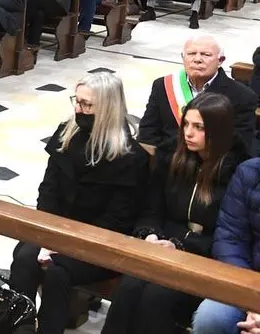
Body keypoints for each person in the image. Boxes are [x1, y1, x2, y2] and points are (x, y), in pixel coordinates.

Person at [10, 73, 148, 334]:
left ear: (107, 109)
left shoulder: (130, 157)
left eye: (87, 105)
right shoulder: (66, 133)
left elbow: (117, 219)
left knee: (57, 272)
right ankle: (20, 326)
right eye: (77, 101)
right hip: (55, 229)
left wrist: (66, 245)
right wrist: (47, 234)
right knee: (25, 257)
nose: (79, 109)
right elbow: (48, 190)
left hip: (99, 243)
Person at [102, 93, 246, 334]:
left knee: (156, 296)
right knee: (129, 286)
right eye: (186, 124)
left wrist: (179, 247)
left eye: (199, 127)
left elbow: (228, 235)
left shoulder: (238, 171)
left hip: (204, 261)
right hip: (161, 250)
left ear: (218, 131)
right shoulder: (174, 156)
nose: (188, 133)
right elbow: (152, 207)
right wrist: (150, 234)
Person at [138, 34, 257, 158]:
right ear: (183, 58)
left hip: (211, 168)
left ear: (220, 60)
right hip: (166, 163)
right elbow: (148, 132)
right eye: (191, 54)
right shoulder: (162, 85)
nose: (197, 59)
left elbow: (239, 147)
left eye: (206, 55)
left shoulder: (243, 97)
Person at [189, 158, 260, 333]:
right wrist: (252, 301)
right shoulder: (249, 172)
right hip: (247, 281)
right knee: (210, 317)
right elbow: (230, 239)